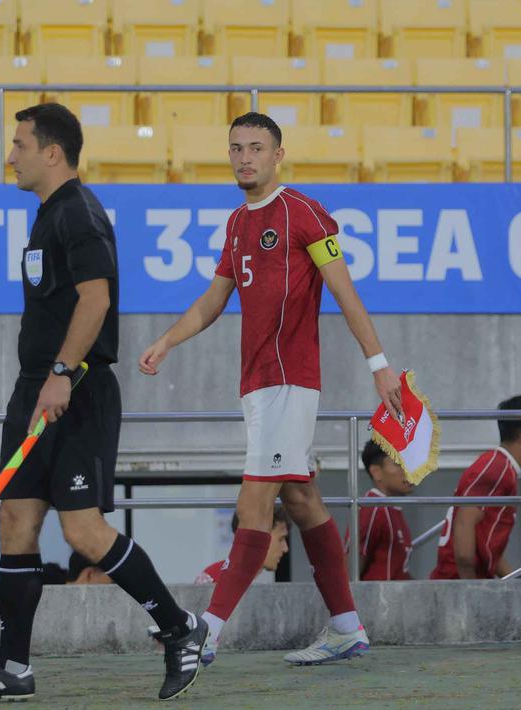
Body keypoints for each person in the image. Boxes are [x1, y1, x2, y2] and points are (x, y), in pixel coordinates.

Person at [0, 104, 203, 703]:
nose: (10, 156)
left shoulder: (80, 214)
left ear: (51, 152)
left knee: (84, 532)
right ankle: (13, 668)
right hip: (35, 389)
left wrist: (61, 374)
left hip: (74, 391)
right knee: (16, 519)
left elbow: (96, 300)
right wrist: (42, 380)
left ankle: (179, 626)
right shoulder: (47, 216)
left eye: (19, 145)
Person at [139, 112, 404, 668]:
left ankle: (205, 632)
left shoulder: (304, 213)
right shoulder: (237, 223)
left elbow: (346, 292)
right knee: (303, 501)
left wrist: (379, 364)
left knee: (254, 502)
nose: (244, 158)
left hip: (290, 383)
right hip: (257, 387)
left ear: (278, 155)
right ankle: (347, 627)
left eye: (256, 148)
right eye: (236, 148)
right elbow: (214, 300)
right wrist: (167, 340)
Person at [430, 396, 521, 580]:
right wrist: (470, 588)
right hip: (455, 583)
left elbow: (488, 546)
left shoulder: (502, 468)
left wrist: (516, 584)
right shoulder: (497, 468)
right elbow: (465, 522)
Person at [354, 441, 415, 581]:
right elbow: (352, 564)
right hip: (378, 599)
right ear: (376, 472)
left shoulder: (391, 508)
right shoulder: (373, 507)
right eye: (398, 464)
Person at [195, 510, 290, 585]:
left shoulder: (270, 584)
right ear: (258, 537)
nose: (285, 548)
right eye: (281, 539)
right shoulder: (212, 578)